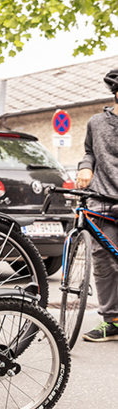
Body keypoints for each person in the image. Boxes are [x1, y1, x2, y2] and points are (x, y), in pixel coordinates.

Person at [77, 69, 118, 342]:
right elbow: (89, 152)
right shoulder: (96, 123)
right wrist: (85, 168)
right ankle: (112, 320)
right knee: (103, 264)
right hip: (102, 200)